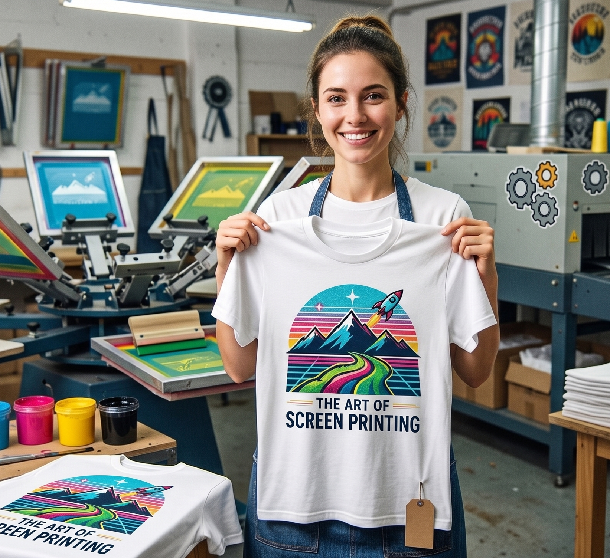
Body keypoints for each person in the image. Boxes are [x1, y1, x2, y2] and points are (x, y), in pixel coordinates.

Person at [213, 15, 500, 558]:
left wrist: (486, 271)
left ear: (401, 102)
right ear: (318, 110)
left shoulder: (443, 219)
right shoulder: (278, 219)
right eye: (337, 98)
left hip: (410, 505)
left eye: (373, 96)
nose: (355, 116)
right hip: (294, 506)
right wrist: (227, 266)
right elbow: (239, 366)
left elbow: (476, 371)